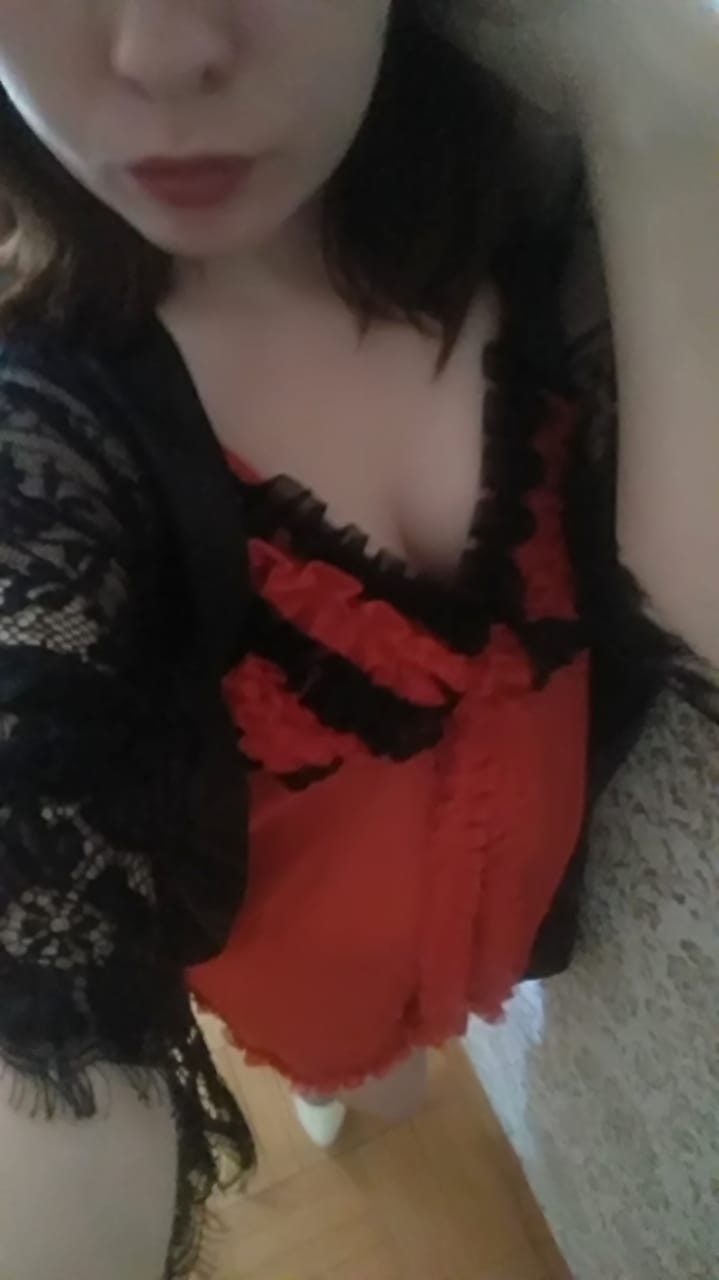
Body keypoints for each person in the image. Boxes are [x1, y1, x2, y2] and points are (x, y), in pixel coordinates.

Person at [0, 2, 716, 1278]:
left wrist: (650, 101)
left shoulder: (530, 197)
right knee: (357, 1058)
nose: (163, 50)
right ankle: (348, 1076)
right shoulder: (45, 425)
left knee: (465, 991)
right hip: (305, 930)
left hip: (518, 851)